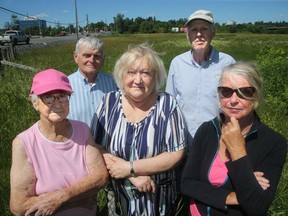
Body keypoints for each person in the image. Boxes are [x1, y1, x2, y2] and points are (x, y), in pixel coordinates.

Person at [90, 43, 187, 215]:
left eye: (145, 73)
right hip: (119, 199)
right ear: (121, 75)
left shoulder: (167, 104)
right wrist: (131, 175)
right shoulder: (108, 102)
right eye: (132, 72)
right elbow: (95, 147)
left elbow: (175, 153)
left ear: (155, 77)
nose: (138, 80)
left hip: (159, 200)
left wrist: (130, 167)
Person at [181, 62, 287, 215]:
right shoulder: (208, 130)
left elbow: (257, 207)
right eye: (226, 91)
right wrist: (233, 195)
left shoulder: (274, 143)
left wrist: (238, 151)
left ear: (256, 95)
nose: (233, 100)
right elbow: (187, 184)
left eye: (244, 92)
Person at [10, 69, 109, 216]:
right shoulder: (24, 142)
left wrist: (63, 196)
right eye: (48, 97)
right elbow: (18, 206)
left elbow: (100, 176)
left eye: (62, 96)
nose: (57, 104)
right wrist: (79, 197)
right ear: (35, 103)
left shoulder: (82, 130)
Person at [165, 9, 236, 142]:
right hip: (183, 138)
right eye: (193, 30)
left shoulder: (228, 63)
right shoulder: (177, 63)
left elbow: (235, 104)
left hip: (217, 139)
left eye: (204, 29)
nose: (199, 34)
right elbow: (170, 102)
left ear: (213, 33)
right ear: (188, 35)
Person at [68, 36, 118, 126]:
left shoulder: (114, 84)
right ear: (76, 57)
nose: (91, 60)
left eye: (97, 56)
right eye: (87, 55)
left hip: (108, 140)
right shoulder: (65, 85)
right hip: (77, 140)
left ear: (103, 59)